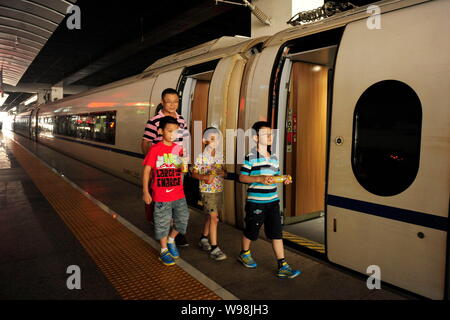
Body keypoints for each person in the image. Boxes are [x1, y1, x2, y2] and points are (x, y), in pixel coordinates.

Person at [238, 121, 301, 279]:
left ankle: (282, 264)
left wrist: (284, 178)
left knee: (276, 233)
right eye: (266, 134)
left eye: (271, 134)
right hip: (256, 202)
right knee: (252, 231)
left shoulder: (273, 157)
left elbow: (275, 177)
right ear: (255, 138)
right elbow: (242, 177)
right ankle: (244, 253)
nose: (270, 137)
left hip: (273, 201)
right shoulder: (251, 157)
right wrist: (259, 178)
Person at [141, 88, 190, 247]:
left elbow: (184, 141)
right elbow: (145, 143)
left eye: (175, 101)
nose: (172, 104)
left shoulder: (182, 120)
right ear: (162, 102)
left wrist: (185, 162)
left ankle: (175, 233)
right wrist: (154, 165)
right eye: (168, 101)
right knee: (164, 200)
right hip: (161, 166)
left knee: (177, 199)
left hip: (177, 166)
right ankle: (167, 232)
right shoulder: (154, 121)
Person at [191, 127, 227, 261]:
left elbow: (225, 171)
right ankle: (214, 248)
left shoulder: (220, 156)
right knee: (214, 218)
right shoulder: (201, 156)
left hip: (218, 190)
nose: (215, 141)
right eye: (211, 139)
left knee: (209, 216)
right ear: (205, 140)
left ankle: (203, 238)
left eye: (216, 139)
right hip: (207, 191)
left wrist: (223, 173)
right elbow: (193, 173)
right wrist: (204, 177)